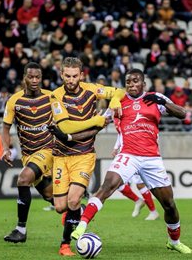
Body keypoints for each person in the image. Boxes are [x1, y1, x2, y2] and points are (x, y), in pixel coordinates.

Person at [71, 68, 192, 254]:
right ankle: (81, 226)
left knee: (169, 204)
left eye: (136, 81)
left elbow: (183, 114)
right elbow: (97, 125)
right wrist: (70, 137)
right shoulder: (118, 102)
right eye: (128, 81)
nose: (131, 84)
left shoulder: (155, 98)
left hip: (152, 158)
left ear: (143, 84)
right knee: (108, 185)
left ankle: (174, 242)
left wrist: (164, 103)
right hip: (128, 154)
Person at [50, 57, 121, 256]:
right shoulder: (56, 96)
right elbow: (65, 127)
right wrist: (97, 120)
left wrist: (114, 100)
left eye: (75, 76)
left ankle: (65, 245)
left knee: (72, 201)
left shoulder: (92, 89)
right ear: (62, 75)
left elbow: (119, 91)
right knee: (60, 207)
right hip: (60, 156)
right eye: (67, 76)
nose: (71, 80)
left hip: (84, 155)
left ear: (81, 75)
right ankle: (78, 211)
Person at [2, 62, 55, 243]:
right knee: (52, 197)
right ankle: (79, 213)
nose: (34, 80)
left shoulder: (51, 97)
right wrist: (5, 149)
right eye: (31, 77)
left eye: (38, 77)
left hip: (48, 150)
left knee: (23, 179)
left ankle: (20, 230)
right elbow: (6, 127)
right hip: (28, 155)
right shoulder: (14, 100)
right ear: (24, 77)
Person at [112, 118, 159, 221]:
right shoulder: (115, 112)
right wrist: (116, 147)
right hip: (125, 153)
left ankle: (153, 211)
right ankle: (138, 201)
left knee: (140, 184)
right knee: (116, 182)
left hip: (137, 152)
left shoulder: (129, 112)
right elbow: (121, 133)